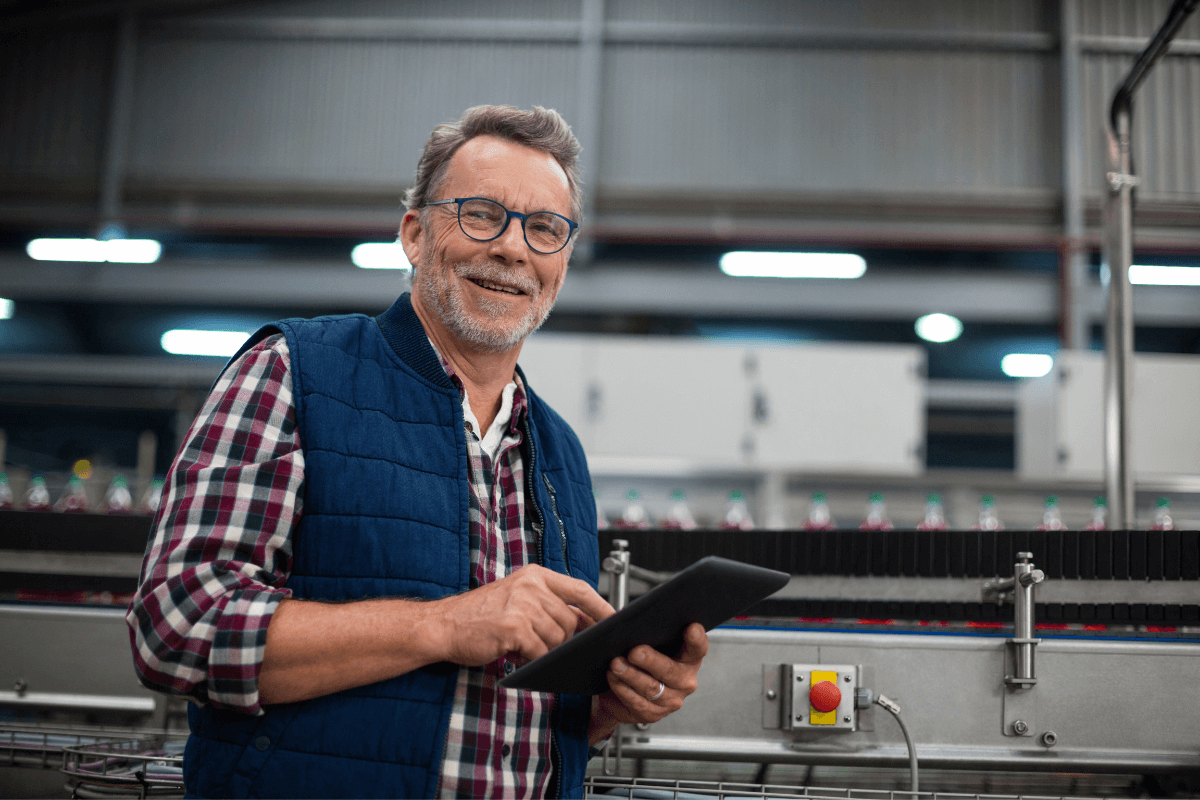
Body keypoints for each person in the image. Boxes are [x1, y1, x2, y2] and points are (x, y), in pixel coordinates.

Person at [126, 104, 708, 799]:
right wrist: (444, 624)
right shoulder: (294, 374)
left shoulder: (560, 454)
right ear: (413, 233)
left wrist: (609, 704)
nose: (514, 250)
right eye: (482, 214)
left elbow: (522, 725)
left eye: (545, 229)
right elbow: (177, 627)